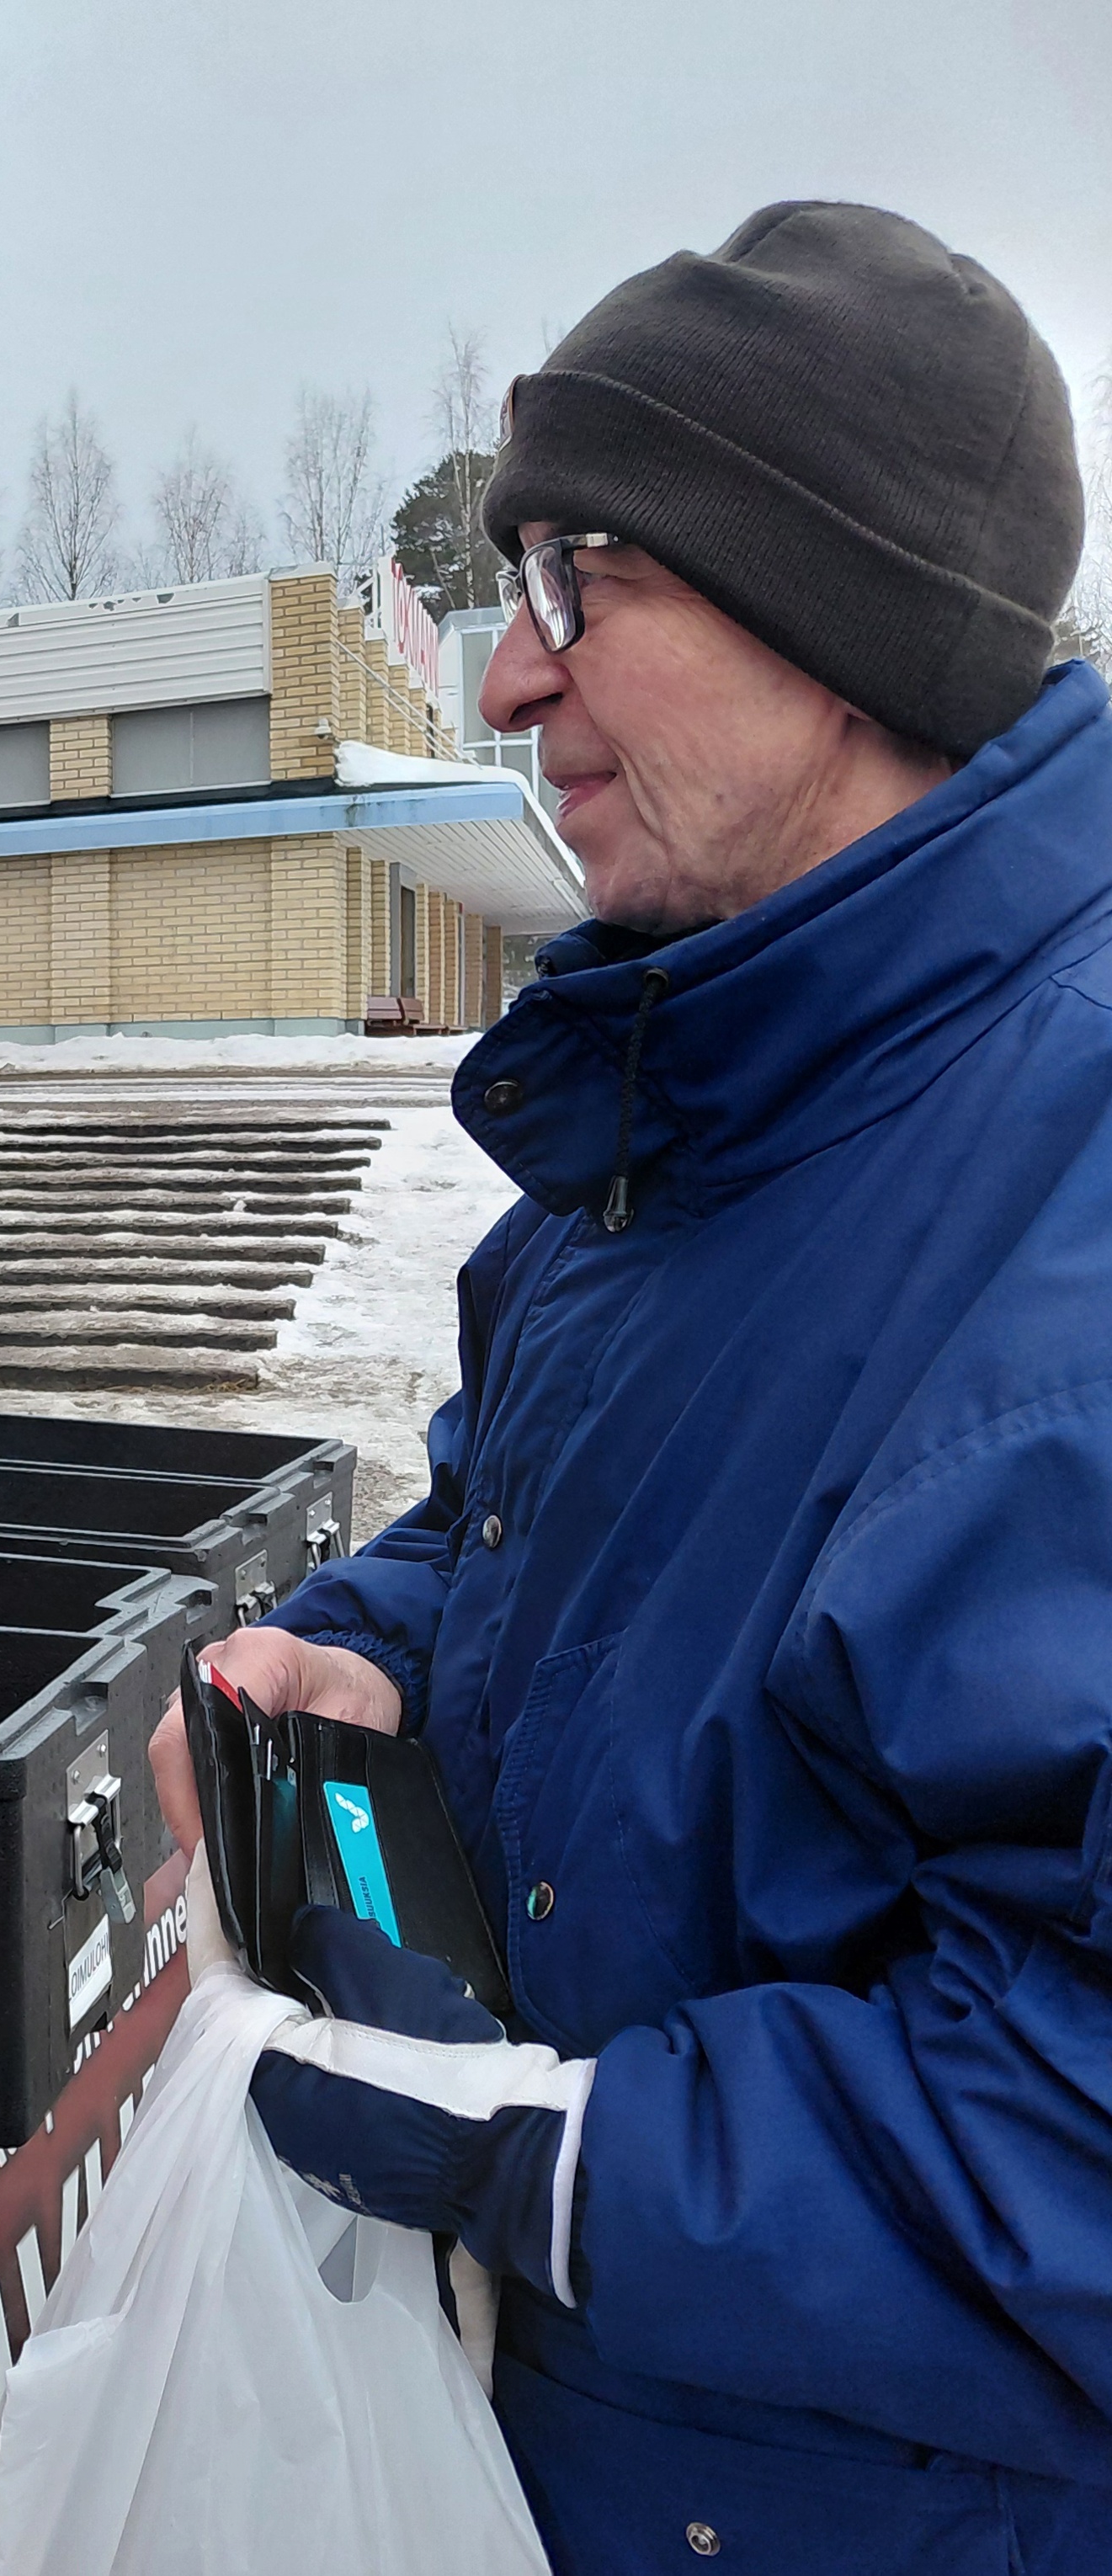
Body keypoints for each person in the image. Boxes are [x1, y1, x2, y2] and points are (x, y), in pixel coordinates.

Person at [152, 203, 1109, 2569]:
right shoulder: (677, 1106)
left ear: (844, 621)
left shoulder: (1070, 1195)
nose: (500, 679)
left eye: (590, 575)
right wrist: (364, 1651)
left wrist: (558, 2151)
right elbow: (522, 1533)